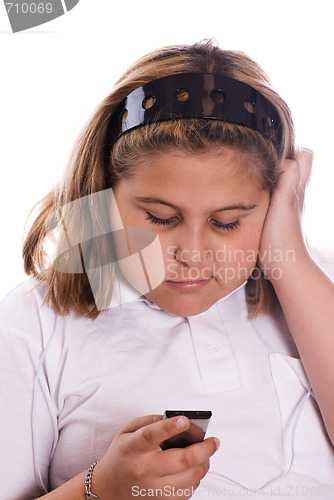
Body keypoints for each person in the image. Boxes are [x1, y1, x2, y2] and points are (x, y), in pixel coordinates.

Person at [1, 40, 334, 500]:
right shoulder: (36, 322)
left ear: (276, 203)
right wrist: (102, 488)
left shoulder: (316, 287)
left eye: (227, 222)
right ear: (104, 192)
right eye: (160, 218)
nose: (192, 254)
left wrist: (290, 259)